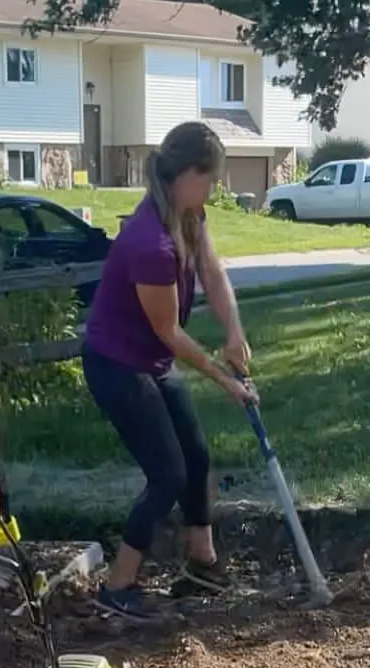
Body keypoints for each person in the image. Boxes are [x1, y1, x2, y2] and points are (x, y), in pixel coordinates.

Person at [82, 122, 258, 619]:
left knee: (196, 458)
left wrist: (234, 332)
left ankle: (201, 562)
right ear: (186, 174)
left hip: (150, 361)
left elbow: (213, 272)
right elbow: (170, 334)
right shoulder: (149, 243)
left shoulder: (190, 216)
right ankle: (118, 587)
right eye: (211, 178)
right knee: (166, 475)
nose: (214, 189)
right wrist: (223, 378)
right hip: (116, 364)